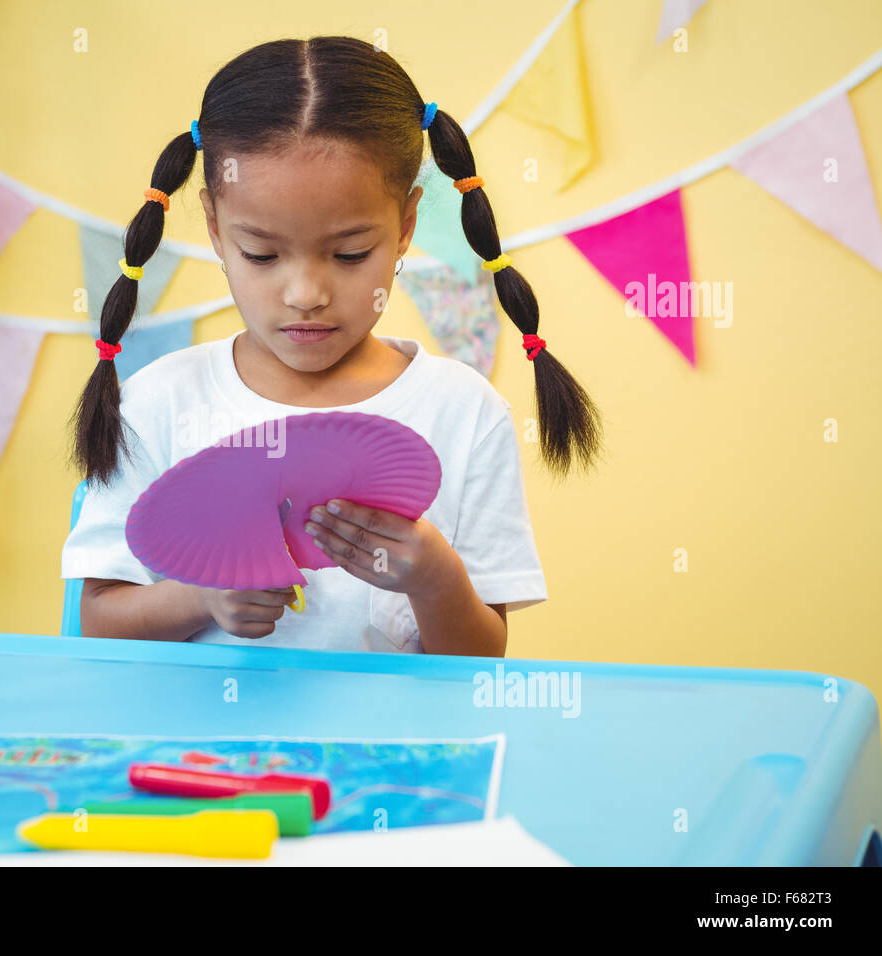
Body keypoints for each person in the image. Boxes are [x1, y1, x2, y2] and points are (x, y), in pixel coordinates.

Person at [61, 36, 603, 655]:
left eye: (349, 254)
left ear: (404, 227)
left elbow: (479, 659)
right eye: (261, 254)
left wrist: (433, 578)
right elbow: (98, 619)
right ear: (213, 225)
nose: (306, 293)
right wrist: (201, 596)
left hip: (391, 747)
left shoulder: (464, 412)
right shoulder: (157, 402)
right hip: (211, 753)